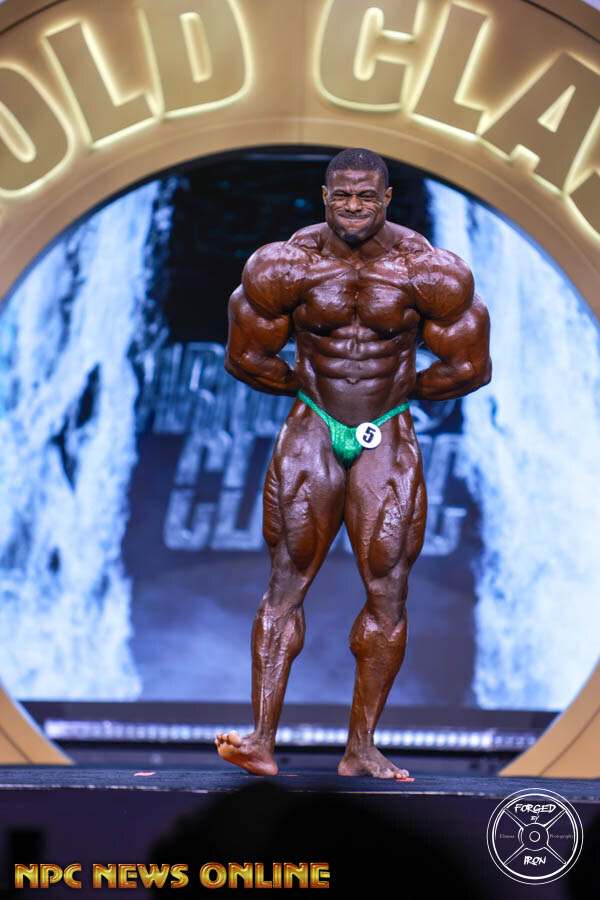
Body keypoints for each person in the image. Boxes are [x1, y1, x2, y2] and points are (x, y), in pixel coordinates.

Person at [216, 148, 491, 779]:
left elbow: (470, 366)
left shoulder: (428, 272)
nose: (353, 206)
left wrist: (396, 395)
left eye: (366, 196)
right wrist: (312, 394)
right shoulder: (285, 266)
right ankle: (260, 739)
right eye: (342, 195)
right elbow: (245, 356)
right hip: (312, 425)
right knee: (286, 580)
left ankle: (361, 748)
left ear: (387, 198)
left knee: (388, 588)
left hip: (386, 433)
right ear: (324, 195)